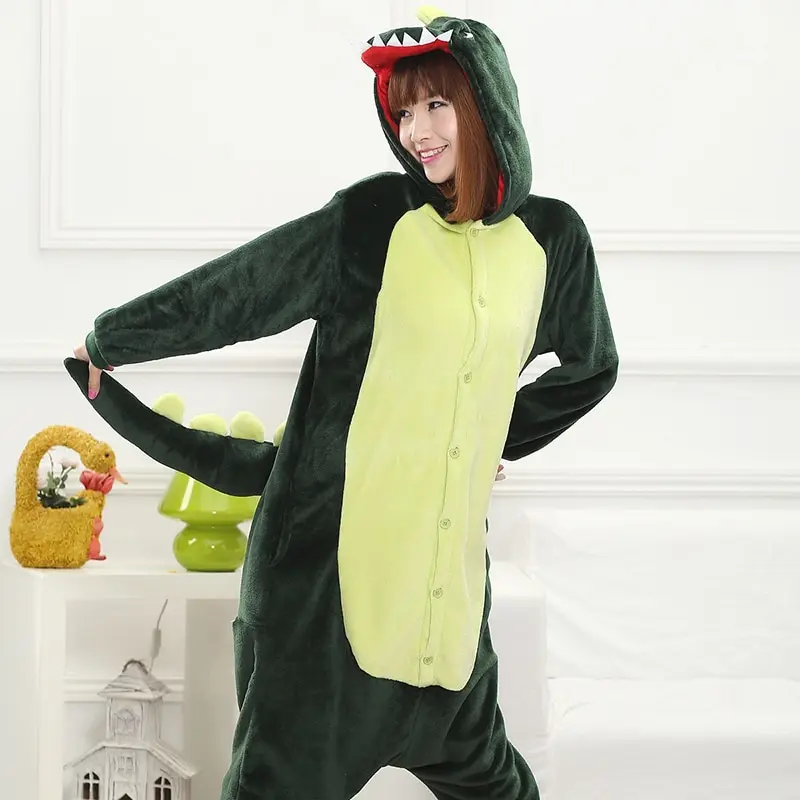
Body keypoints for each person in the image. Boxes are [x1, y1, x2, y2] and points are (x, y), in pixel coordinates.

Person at [69, 7, 618, 798]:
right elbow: (237, 291)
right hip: (322, 613)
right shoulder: (370, 221)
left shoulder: (552, 242)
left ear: (486, 104)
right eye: (403, 112)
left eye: (436, 105)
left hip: (448, 628)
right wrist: (114, 337)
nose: (416, 132)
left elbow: (592, 366)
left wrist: (495, 434)